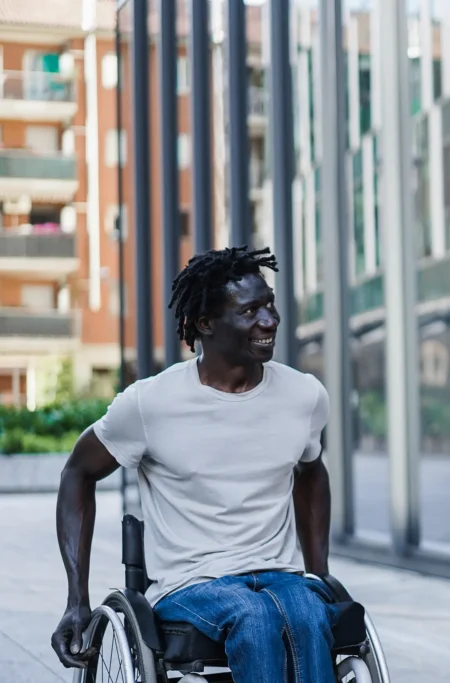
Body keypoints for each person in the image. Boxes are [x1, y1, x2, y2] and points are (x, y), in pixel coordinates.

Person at [51, 246, 340, 683]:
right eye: (250, 311)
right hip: (191, 583)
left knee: (307, 612)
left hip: (281, 576)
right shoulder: (150, 404)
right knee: (256, 618)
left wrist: (319, 572)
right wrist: (77, 599)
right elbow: (78, 472)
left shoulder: (305, 395)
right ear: (205, 324)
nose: (269, 320)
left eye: (270, 304)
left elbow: (312, 470)